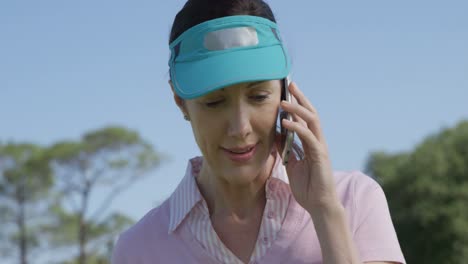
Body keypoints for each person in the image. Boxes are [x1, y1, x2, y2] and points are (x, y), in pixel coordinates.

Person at [112, 0, 406, 263]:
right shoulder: (137, 250)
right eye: (214, 102)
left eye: (258, 97)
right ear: (181, 102)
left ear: (285, 94)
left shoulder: (354, 200)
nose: (240, 128)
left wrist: (326, 212)